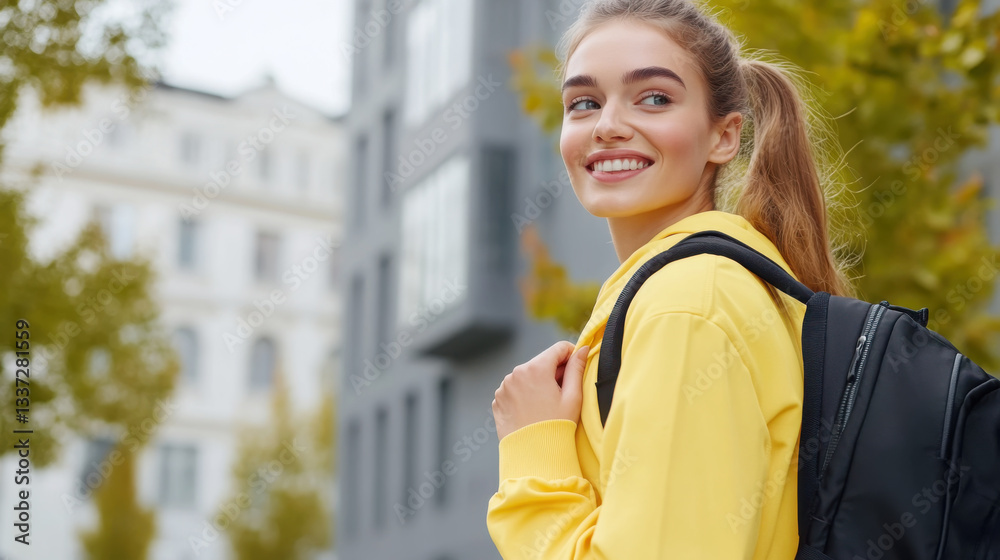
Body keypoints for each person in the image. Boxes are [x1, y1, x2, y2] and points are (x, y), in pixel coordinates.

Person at [487, 0, 855, 558]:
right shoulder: (703, 291)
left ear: (724, 137)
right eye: (583, 103)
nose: (607, 126)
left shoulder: (688, 308)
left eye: (654, 98)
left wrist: (534, 451)